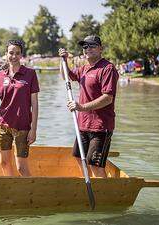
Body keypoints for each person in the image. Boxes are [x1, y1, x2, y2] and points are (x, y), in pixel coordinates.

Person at [58, 35, 119, 178]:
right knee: (79, 158)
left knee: (94, 165)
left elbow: (108, 98)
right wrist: (64, 61)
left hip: (100, 127)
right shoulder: (84, 68)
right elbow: (66, 76)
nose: (88, 49)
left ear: (100, 49)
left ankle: (102, 197)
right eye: (85, 46)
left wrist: (82, 107)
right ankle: (88, 188)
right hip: (83, 124)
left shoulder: (107, 68)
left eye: (92, 46)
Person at [0, 40, 39, 177]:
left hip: (23, 127)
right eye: (11, 53)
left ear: (21, 55)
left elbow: (35, 104)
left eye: (17, 53)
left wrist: (33, 129)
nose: (14, 56)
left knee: (21, 168)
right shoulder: (0, 76)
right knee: (4, 163)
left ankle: (30, 195)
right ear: (6, 54)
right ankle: (11, 193)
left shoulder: (30, 74)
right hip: (3, 126)